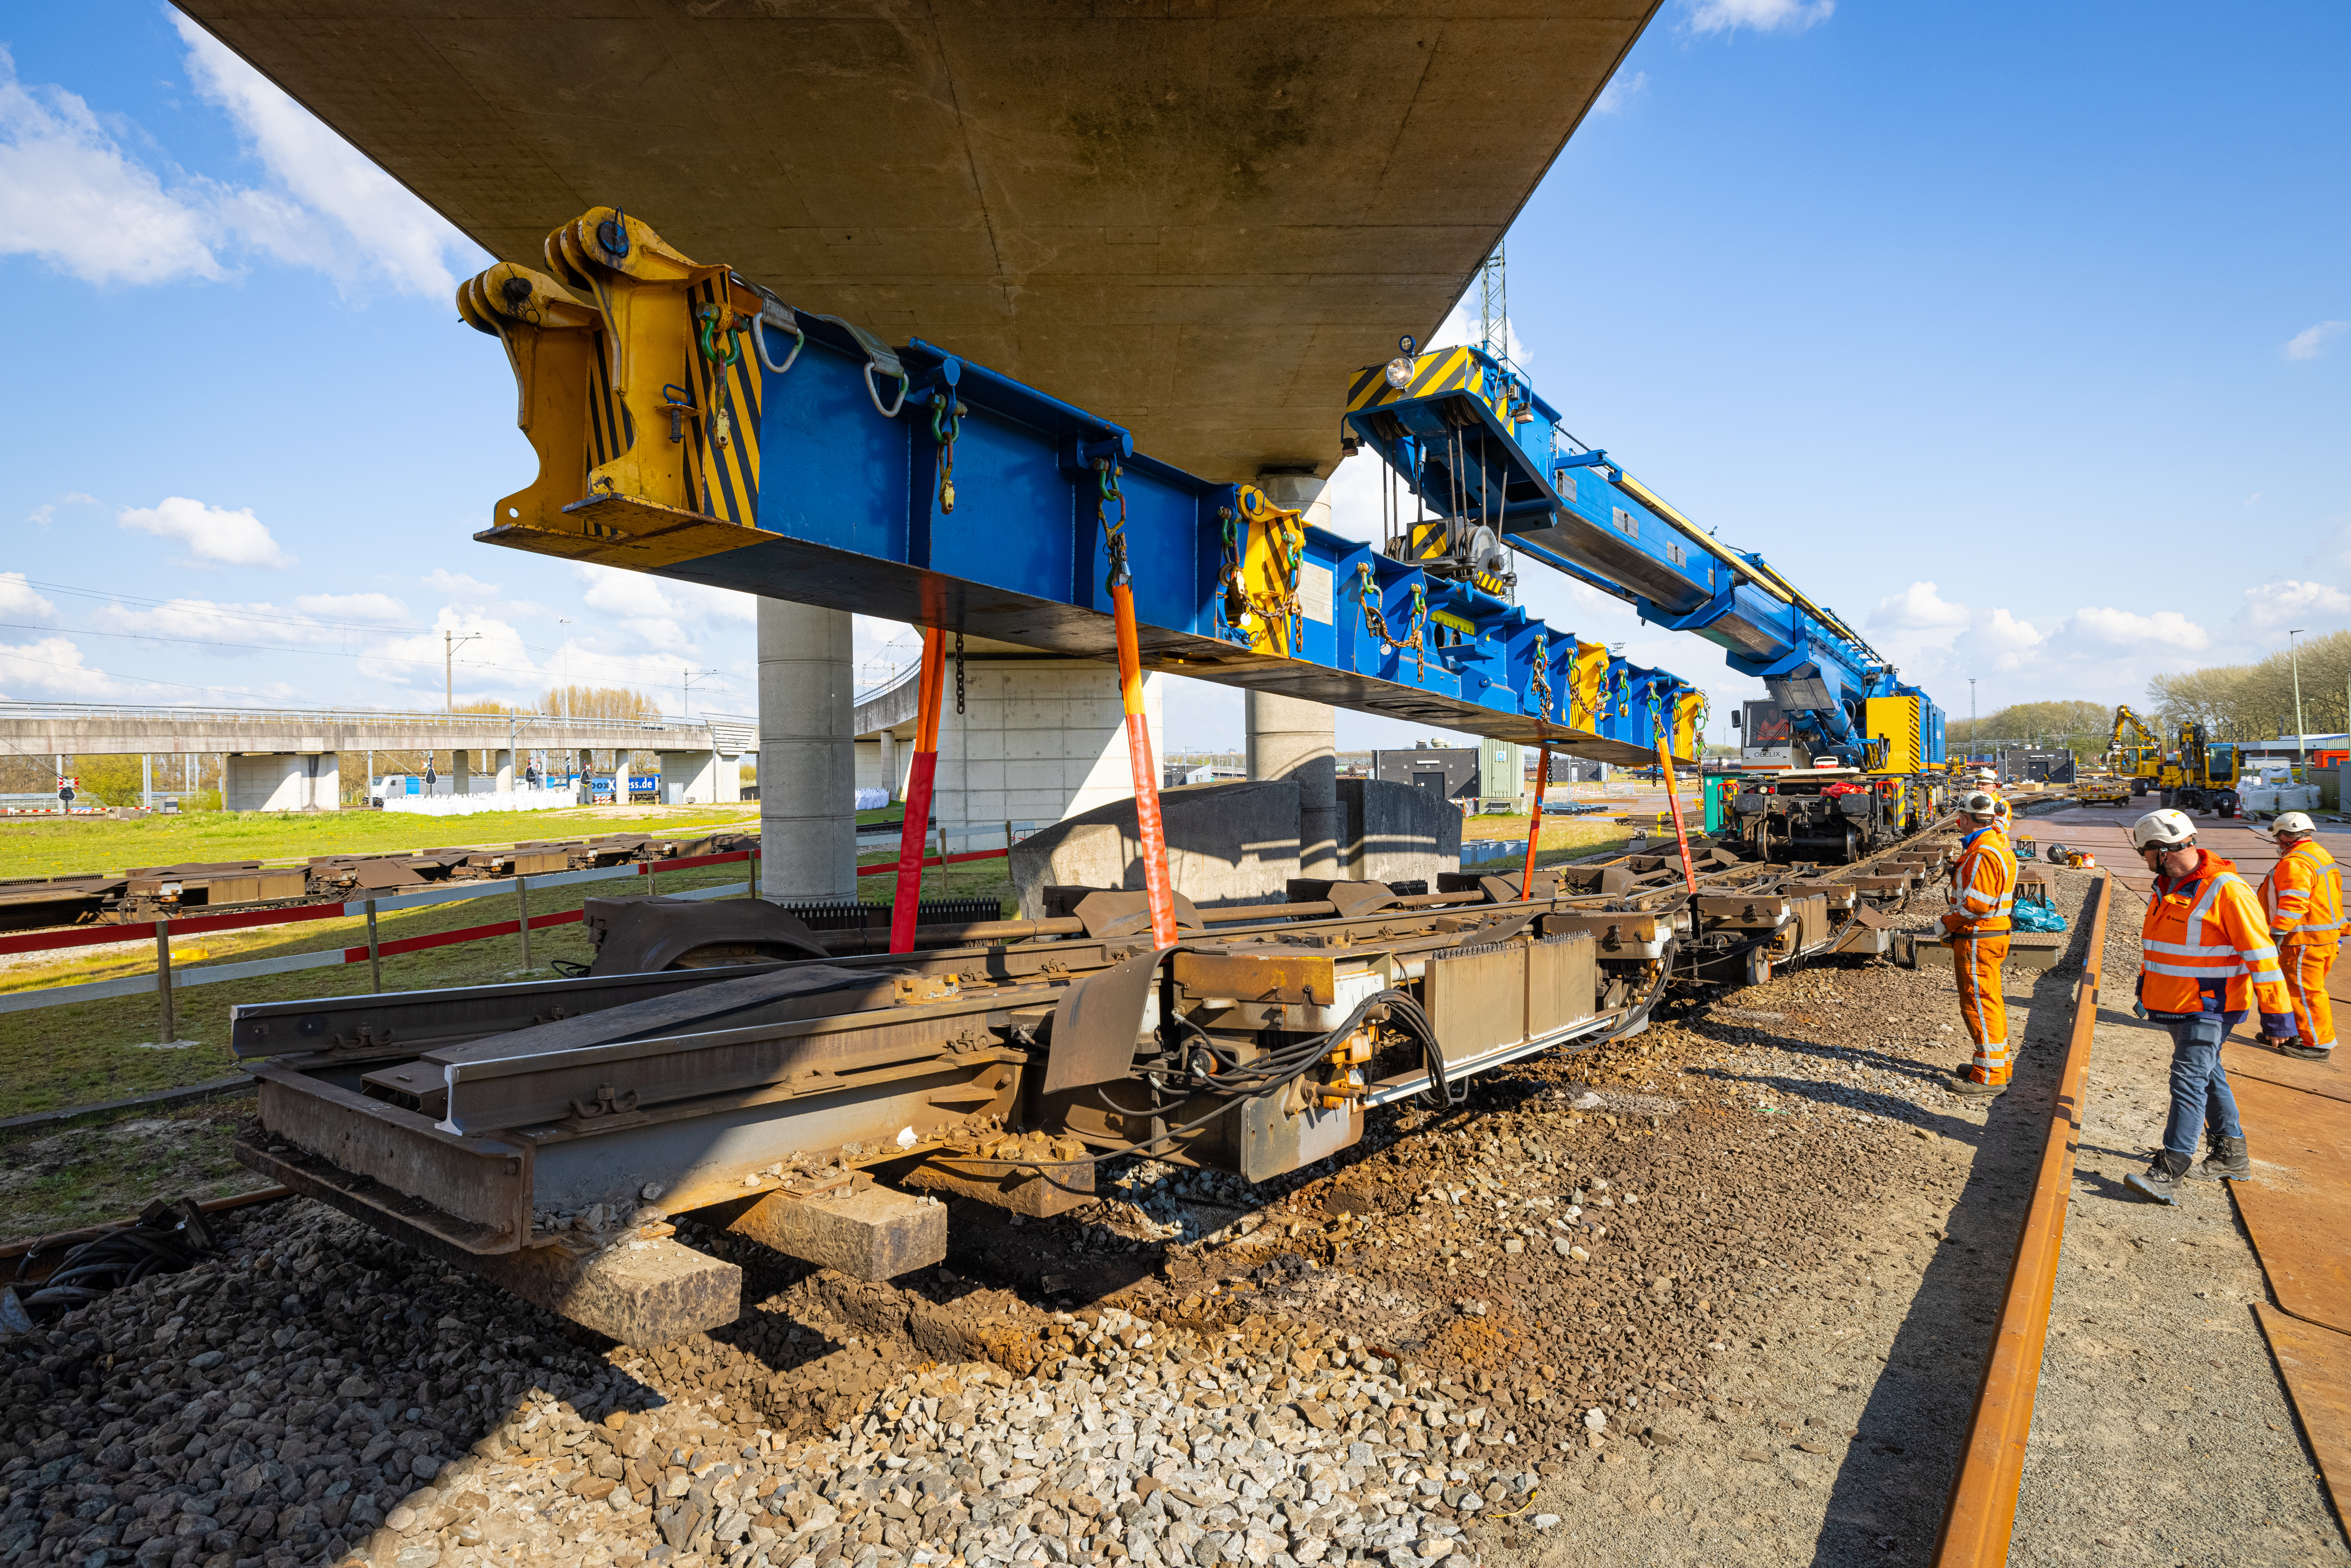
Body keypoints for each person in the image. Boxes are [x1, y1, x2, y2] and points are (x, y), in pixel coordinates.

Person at [2125, 808, 2296, 1202]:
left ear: (2162, 850)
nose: (2146, 861)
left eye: (2145, 854)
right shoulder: (2169, 887)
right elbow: (2160, 949)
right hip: (2174, 1001)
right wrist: (2145, 989)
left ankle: (2170, 1170)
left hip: (2210, 1004)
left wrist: (2277, 1018)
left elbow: (2263, 958)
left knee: (2187, 1079)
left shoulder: (2226, 890)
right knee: (2208, 1073)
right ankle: (2231, 1154)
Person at [1943, 789, 2019, 1097]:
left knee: (1978, 1002)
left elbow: (1976, 905)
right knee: (1991, 1001)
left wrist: (1945, 924)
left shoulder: (1980, 853)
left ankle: (1989, 1076)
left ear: (1963, 819)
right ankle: (1995, 1064)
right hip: (1991, 935)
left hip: (1979, 936)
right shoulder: (1994, 844)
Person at [2261, 811, 2342, 1061]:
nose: (2277, 843)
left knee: (2304, 992)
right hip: (2323, 937)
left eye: (2277, 837)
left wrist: (2276, 934)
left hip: (2303, 941)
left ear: (2285, 836)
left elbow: (2293, 902)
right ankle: (2292, 1032)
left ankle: (2318, 1044)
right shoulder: (2318, 854)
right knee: (2296, 989)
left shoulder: (2294, 863)